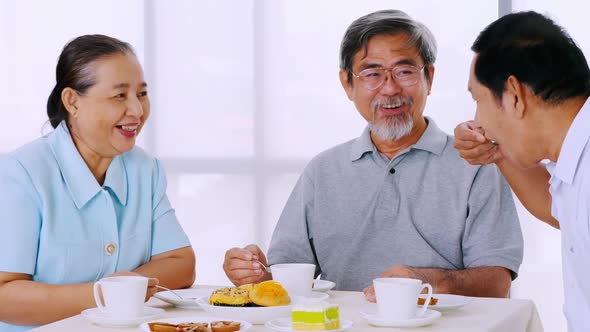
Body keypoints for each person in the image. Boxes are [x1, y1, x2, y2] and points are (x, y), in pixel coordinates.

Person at [223, 10, 523, 301]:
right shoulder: (323, 170)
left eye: (405, 71)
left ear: (429, 78)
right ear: (347, 83)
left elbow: (497, 284)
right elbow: (287, 277)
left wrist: (430, 281)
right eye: (372, 73)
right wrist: (258, 275)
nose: (390, 88)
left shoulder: (475, 164)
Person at [0, 35, 195, 331]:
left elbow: (181, 263)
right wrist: (107, 294)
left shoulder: (145, 169)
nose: (137, 111)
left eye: (142, 94)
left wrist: (119, 289)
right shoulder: (20, 173)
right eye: (119, 96)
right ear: (72, 101)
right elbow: (4, 295)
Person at [454, 11, 590, 331]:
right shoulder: (574, 156)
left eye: (478, 100)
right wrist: (500, 152)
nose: (478, 121)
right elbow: (562, 211)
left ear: (514, 95)